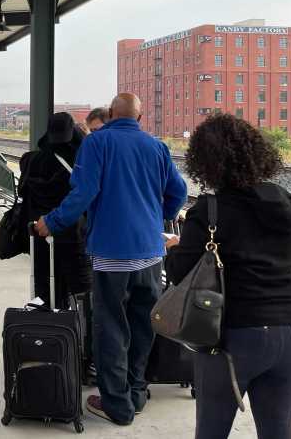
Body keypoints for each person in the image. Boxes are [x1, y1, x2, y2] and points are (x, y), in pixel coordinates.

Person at [35, 93, 187, 426]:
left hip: (112, 256)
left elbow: (83, 193)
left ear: (111, 113)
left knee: (111, 330)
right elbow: (178, 191)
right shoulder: (156, 147)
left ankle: (117, 406)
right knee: (143, 327)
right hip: (150, 255)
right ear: (140, 115)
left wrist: (52, 222)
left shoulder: (97, 143)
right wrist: (154, 216)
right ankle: (136, 392)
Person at [165, 113, 291, 439]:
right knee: (278, 433)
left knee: (212, 431)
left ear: (206, 161)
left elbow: (180, 274)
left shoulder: (209, 209)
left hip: (232, 337)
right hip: (289, 333)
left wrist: (175, 248)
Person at [19, 113, 93, 376]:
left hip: (41, 241)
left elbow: (23, 196)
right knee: (84, 297)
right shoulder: (80, 163)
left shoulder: (32, 161)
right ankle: (85, 358)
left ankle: (48, 351)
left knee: (46, 294)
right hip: (74, 240)